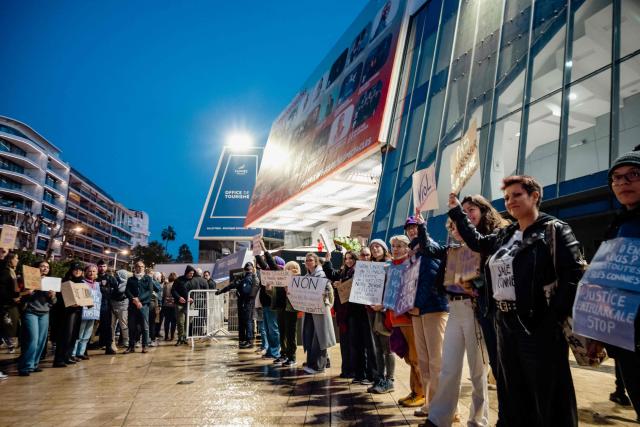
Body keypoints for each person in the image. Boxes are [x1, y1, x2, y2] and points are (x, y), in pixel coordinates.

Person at [448, 175, 584, 426]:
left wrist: (551, 320)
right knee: (510, 389)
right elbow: (477, 242)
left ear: (534, 196)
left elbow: (572, 276)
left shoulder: (554, 229)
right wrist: (457, 212)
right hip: (503, 322)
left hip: (538, 324)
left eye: (517, 195)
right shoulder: (506, 233)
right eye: (507, 197)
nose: (510, 201)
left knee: (547, 393)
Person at [421, 196, 510, 427]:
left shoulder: (489, 241)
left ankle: (477, 421)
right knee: (449, 367)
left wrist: (478, 288)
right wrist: (422, 226)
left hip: (476, 312)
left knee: (478, 371)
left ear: (484, 212)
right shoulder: (454, 247)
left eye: (471, 209)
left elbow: (494, 278)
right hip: (454, 308)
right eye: (464, 210)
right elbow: (431, 250)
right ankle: (439, 418)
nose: (466, 214)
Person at [603, 145, 640, 422]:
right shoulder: (618, 224)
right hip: (627, 337)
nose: (623, 183)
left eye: (633, 174)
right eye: (617, 178)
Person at [404, 215, 449, 419]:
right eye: (409, 228)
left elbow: (431, 280)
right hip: (418, 311)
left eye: (415, 227)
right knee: (424, 361)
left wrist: (416, 304)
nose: (412, 231)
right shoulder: (411, 254)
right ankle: (431, 404)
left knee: (436, 361)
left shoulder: (427, 248)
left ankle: (445, 408)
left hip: (433, 309)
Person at [386, 235, 425, 408]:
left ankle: (421, 392)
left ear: (406, 248)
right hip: (395, 317)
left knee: (416, 358)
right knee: (409, 358)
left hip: (407, 317)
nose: (395, 249)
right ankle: (415, 391)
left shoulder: (410, 264)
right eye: (393, 246)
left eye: (400, 246)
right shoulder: (390, 267)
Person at [18, 260, 56, 376]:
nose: (45, 268)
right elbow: (18, 295)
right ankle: (25, 366)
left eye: (47, 267)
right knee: (32, 340)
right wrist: (28, 292)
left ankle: (34, 364)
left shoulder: (50, 282)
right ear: (36, 268)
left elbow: (54, 301)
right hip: (31, 312)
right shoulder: (27, 279)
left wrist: (52, 296)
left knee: (41, 341)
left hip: (44, 313)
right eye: (42, 266)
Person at [322, 251, 356, 380]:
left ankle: (352, 370)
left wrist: (340, 284)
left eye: (351, 258)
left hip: (353, 313)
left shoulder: (356, 272)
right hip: (342, 313)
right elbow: (331, 274)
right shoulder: (343, 272)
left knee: (353, 343)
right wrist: (328, 261)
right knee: (344, 343)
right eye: (346, 258)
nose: (348, 261)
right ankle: (346, 369)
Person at [301, 253, 336, 374]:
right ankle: (313, 363)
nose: (308, 262)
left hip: (320, 311)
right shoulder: (305, 276)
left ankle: (318, 366)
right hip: (309, 310)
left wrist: (326, 303)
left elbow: (329, 293)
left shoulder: (322, 276)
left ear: (316, 262)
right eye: (306, 260)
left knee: (320, 337)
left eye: (310, 260)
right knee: (310, 336)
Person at [367, 239, 395, 394]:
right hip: (371, 310)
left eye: (378, 246)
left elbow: (393, 288)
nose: (375, 248)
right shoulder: (370, 266)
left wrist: (383, 305)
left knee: (387, 347)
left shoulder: (390, 266)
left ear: (384, 249)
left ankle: (390, 380)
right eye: (372, 247)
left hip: (384, 311)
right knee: (377, 347)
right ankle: (380, 378)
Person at [216, 262, 260, 349]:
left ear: (244, 270)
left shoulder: (244, 279)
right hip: (249, 302)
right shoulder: (254, 278)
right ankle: (247, 340)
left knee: (246, 321)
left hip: (244, 302)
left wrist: (220, 291)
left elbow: (231, 286)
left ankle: (246, 340)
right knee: (248, 321)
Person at [53, 262, 84, 367]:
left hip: (77, 312)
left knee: (73, 335)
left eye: (80, 270)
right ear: (71, 270)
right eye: (76, 269)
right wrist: (71, 304)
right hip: (66, 313)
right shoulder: (65, 281)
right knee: (65, 335)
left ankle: (67, 356)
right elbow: (60, 299)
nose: (78, 271)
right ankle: (59, 359)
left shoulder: (81, 282)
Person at [124, 260, 158, 354]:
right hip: (132, 306)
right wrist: (133, 300)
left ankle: (145, 346)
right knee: (131, 327)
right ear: (135, 267)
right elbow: (127, 291)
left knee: (145, 327)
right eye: (138, 266)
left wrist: (138, 299)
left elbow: (149, 291)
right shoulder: (131, 279)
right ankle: (131, 346)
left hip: (144, 306)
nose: (140, 268)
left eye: (142, 266)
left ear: (144, 268)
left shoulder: (148, 278)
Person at [72, 264, 101, 360]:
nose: (91, 273)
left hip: (93, 313)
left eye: (94, 271)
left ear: (96, 273)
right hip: (83, 312)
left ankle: (80, 353)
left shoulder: (97, 284)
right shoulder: (82, 282)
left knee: (87, 334)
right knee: (79, 334)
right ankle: (73, 353)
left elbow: (99, 299)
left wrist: (98, 314)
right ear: (86, 272)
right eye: (89, 271)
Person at [0, 252, 20, 355]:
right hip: (6, 304)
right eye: (16, 258)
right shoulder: (6, 272)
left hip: (12, 304)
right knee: (7, 326)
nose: (18, 260)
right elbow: (2, 290)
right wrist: (12, 298)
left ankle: (9, 344)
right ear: (10, 260)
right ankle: (9, 344)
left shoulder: (13, 271)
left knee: (10, 326)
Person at [97, 260, 118, 355]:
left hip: (106, 305)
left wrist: (108, 292)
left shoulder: (110, 278)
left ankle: (108, 346)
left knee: (107, 326)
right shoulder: (93, 275)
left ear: (106, 267)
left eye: (104, 266)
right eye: (100, 266)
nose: (102, 268)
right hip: (93, 305)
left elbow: (117, 290)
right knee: (91, 327)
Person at [172, 265, 195, 345]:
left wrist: (193, 299)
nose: (191, 275)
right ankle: (180, 338)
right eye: (190, 273)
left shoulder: (193, 281)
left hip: (190, 305)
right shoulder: (178, 280)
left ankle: (185, 337)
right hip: (180, 304)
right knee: (180, 322)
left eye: (192, 273)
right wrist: (179, 298)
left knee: (187, 322)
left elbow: (197, 292)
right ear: (186, 272)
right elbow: (173, 291)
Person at [111, 269, 130, 351]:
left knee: (124, 325)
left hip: (123, 307)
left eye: (118, 275)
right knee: (112, 326)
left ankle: (126, 341)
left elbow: (121, 293)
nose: (116, 276)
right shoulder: (114, 283)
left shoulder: (127, 284)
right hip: (113, 306)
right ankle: (112, 342)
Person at [161, 272, 177, 341]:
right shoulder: (176, 285)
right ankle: (172, 336)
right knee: (173, 321)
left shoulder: (166, 285)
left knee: (167, 321)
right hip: (174, 305)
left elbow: (163, 296)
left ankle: (166, 336)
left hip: (166, 305)